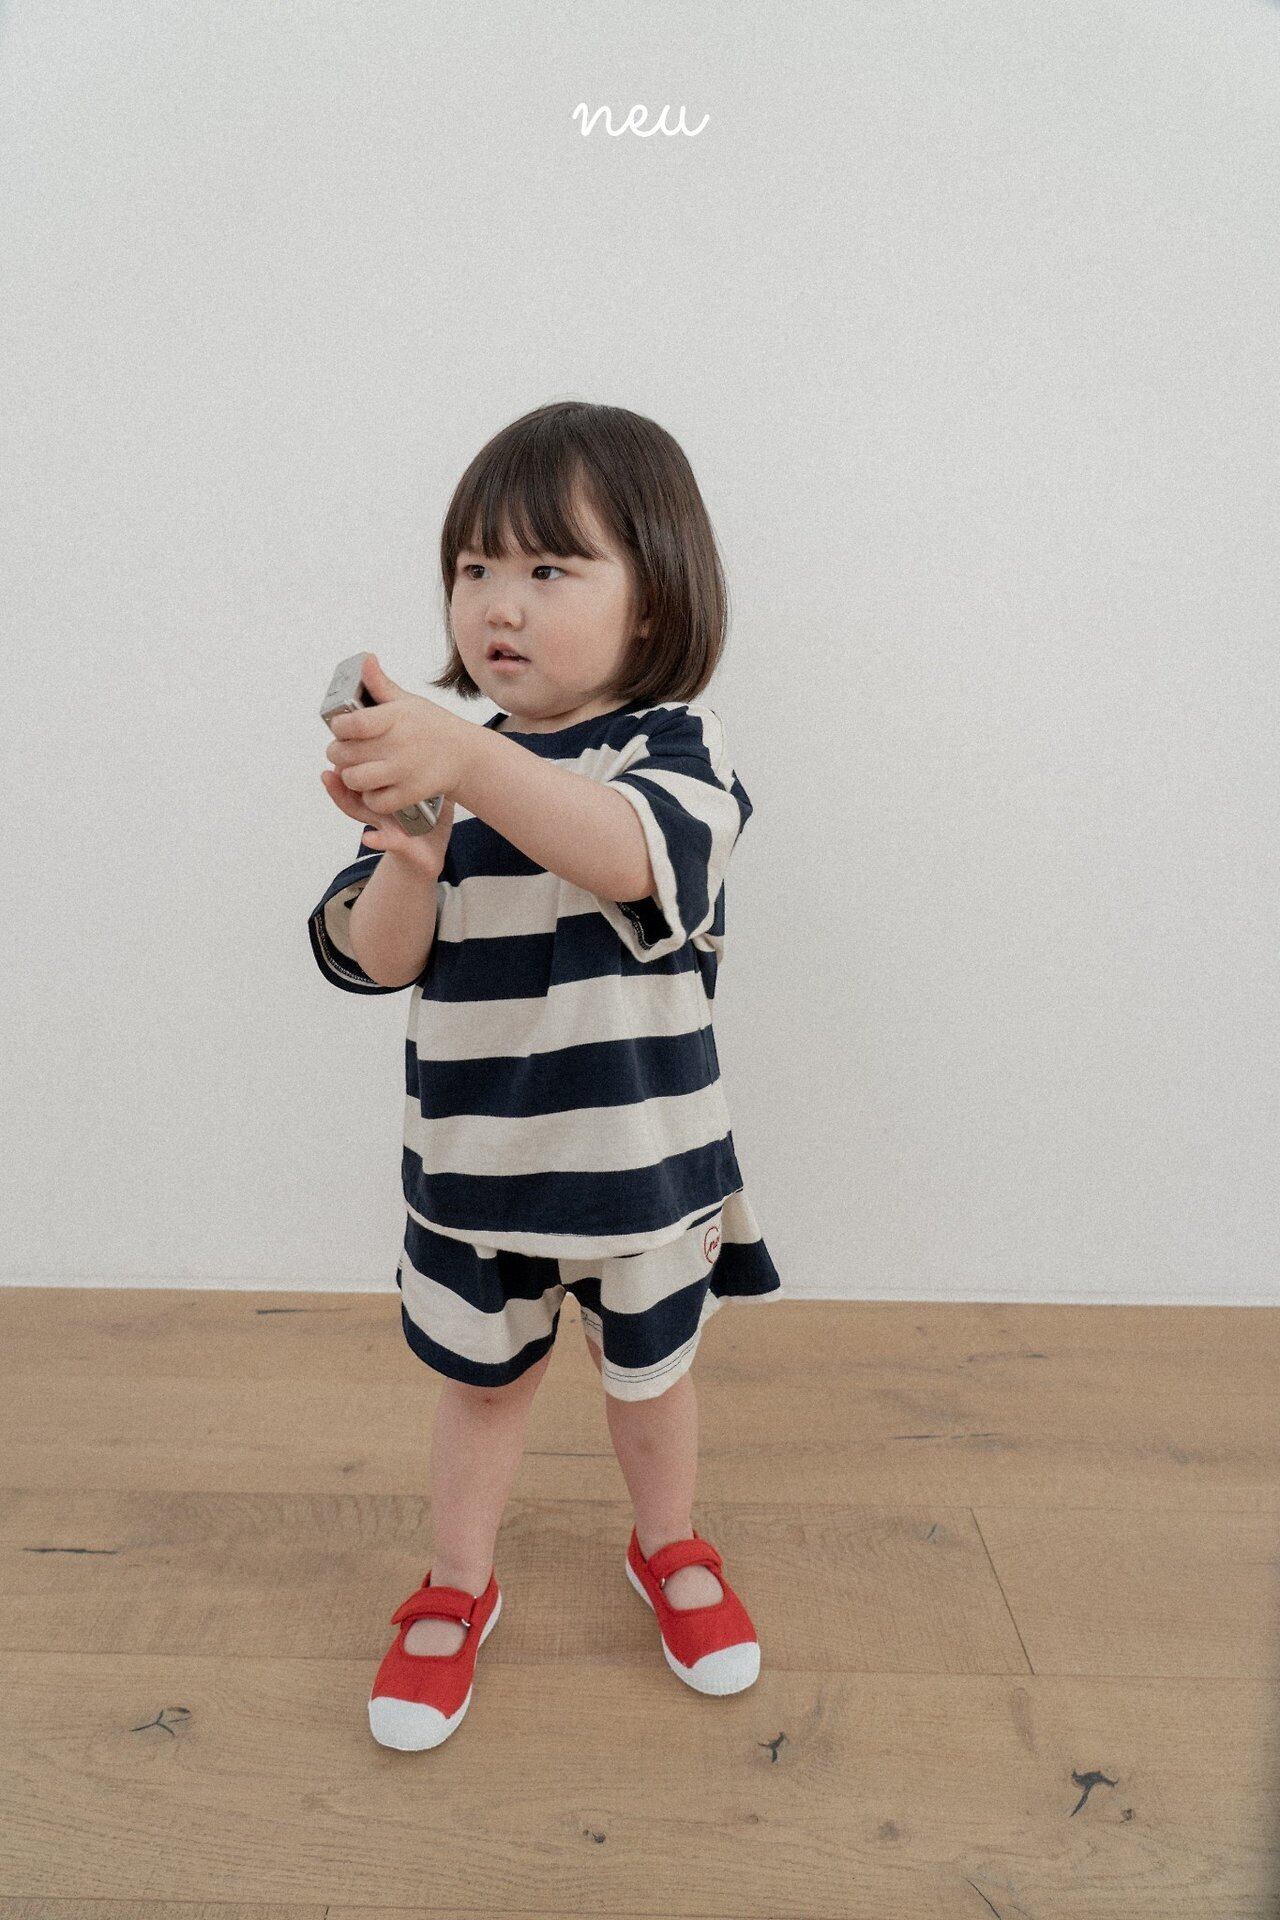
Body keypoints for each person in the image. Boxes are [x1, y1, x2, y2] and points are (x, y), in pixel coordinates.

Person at [309, 399, 782, 1750]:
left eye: (548, 568)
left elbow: (632, 857)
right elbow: (372, 959)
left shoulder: (672, 752)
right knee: (481, 1389)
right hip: (478, 1174)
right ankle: (456, 1583)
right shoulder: (446, 774)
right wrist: (412, 856)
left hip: (641, 1172)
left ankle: (668, 1544)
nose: (497, 604)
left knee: (652, 1382)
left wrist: (471, 756)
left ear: (654, 600)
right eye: (474, 568)